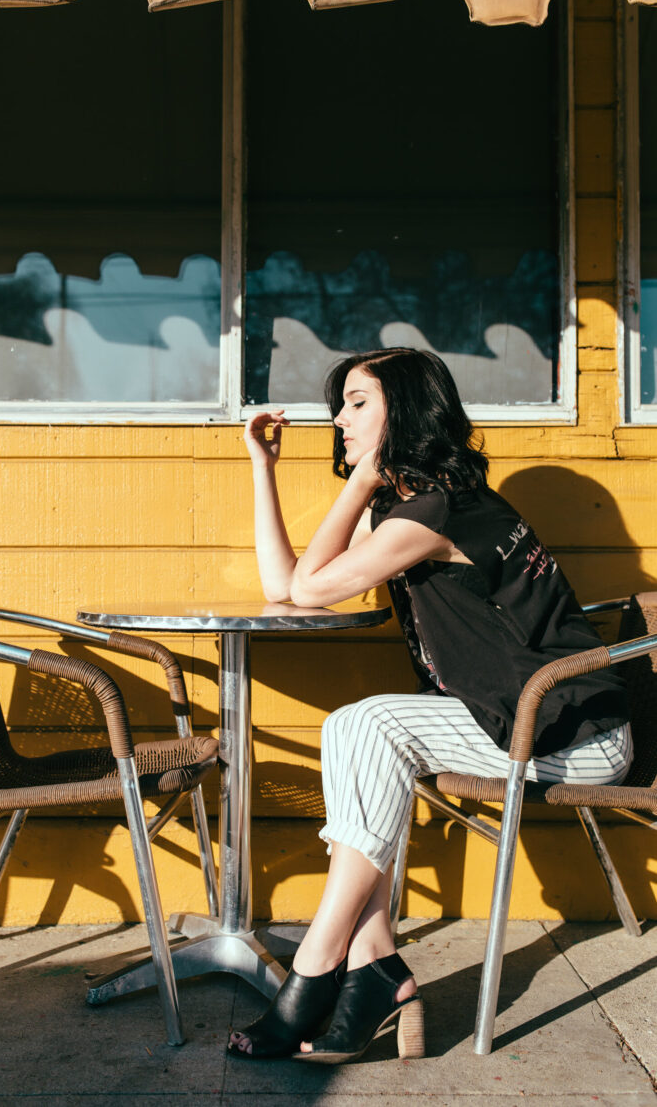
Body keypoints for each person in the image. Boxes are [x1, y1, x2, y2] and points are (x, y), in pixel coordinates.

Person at [227, 347, 631, 1065]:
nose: (339, 420)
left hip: (577, 733)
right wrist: (264, 468)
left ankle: (326, 958)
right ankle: (375, 957)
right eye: (340, 405)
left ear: (404, 412)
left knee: (366, 725)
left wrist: (359, 481)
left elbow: (311, 589)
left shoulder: (438, 513)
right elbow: (289, 581)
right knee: (366, 735)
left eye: (357, 403)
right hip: (518, 720)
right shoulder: (413, 507)